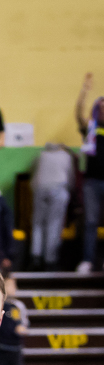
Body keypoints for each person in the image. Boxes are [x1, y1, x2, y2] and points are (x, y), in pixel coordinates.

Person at [28, 143, 76, 271]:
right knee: (54, 224)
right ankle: (50, 260)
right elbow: (71, 178)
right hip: (58, 189)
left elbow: (32, 174)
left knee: (38, 223)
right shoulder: (65, 156)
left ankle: (36, 256)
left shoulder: (41, 155)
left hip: (39, 189)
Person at [74, 72, 103, 273]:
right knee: (91, 222)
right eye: (100, 108)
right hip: (91, 182)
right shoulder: (90, 129)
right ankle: (87, 260)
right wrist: (84, 91)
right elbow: (78, 114)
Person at [0, 268, 28, 365]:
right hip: (1, 348)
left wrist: (22, 328)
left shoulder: (18, 306)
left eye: (13, 285)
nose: (12, 288)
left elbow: (23, 323)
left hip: (15, 349)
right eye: (8, 285)